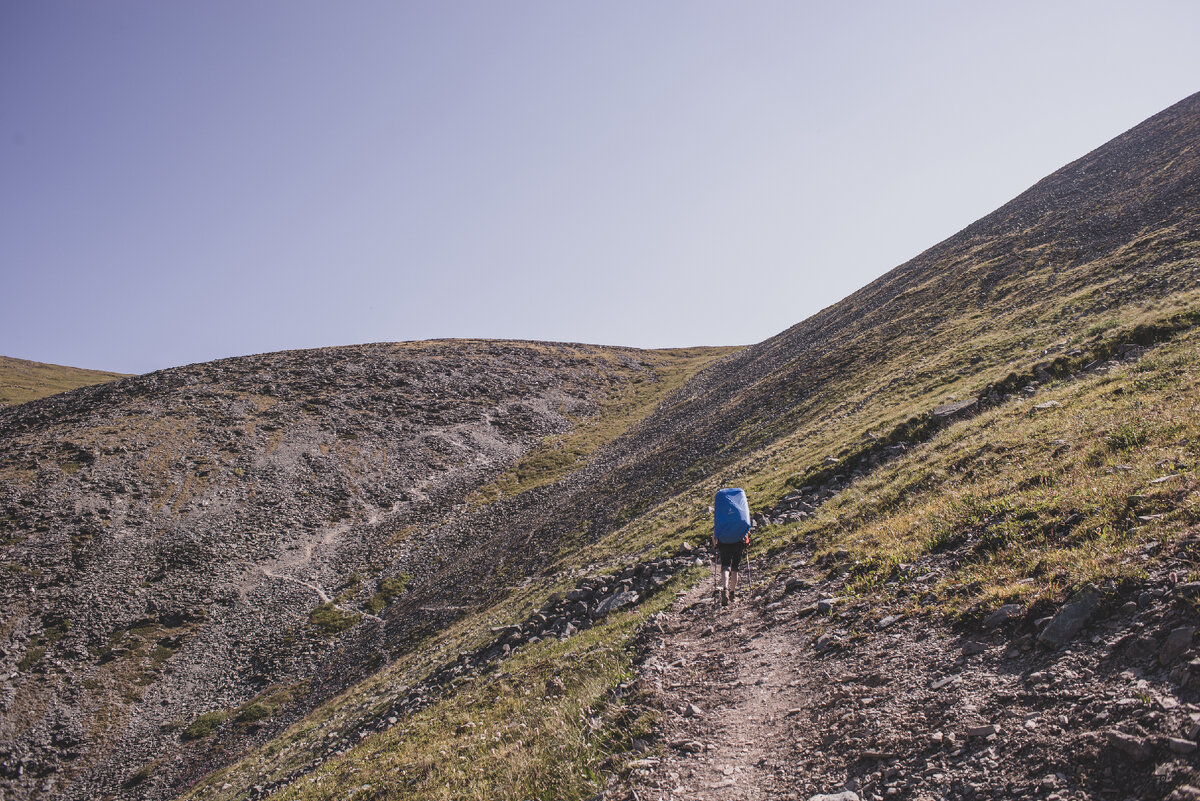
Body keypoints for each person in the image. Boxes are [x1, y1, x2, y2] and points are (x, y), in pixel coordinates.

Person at [712, 525, 749, 606]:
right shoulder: (740, 513)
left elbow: (714, 534)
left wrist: (715, 545)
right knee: (735, 568)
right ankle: (732, 593)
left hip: (724, 542)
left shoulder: (721, 514)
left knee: (725, 566)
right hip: (738, 542)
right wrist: (746, 542)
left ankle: (725, 589)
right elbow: (746, 528)